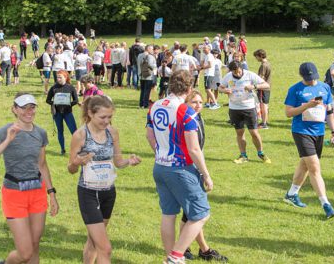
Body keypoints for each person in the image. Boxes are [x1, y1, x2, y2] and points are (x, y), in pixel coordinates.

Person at [0, 93, 59, 264]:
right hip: (14, 193)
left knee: (35, 245)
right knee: (25, 253)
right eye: (23, 107)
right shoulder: (5, 131)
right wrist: (8, 140)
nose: (29, 111)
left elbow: (42, 165)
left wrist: (51, 193)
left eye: (32, 107)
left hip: (37, 193)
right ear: (14, 109)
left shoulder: (40, 133)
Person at [146, 70, 213, 264]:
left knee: (168, 213)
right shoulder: (185, 111)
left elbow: (149, 136)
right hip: (181, 168)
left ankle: (171, 256)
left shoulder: (155, 105)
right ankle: (175, 256)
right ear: (189, 88)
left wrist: (161, 153)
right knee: (201, 213)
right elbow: (193, 148)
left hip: (160, 166)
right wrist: (206, 174)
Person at [68, 95, 142, 264]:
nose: (107, 121)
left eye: (110, 117)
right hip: (88, 193)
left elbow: (118, 161)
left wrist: (129, 162)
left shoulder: (112, 132)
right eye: (102, 117)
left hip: (108, 192)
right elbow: (71, 168)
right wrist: (77, 162)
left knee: (94, 241)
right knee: (105, 248)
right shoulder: (80, 135)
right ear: (90, 114)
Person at [282, 62, 334, 219]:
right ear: (302, 76)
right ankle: (326, 204)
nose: (311, 81)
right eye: (308, 79)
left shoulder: (325, 88)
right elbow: (288, 113)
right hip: (301, 131)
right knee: (314, 168)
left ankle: (291, 194)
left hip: (319, 132)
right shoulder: (295, 90)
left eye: (313, 78)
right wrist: (307, 105)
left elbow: (329, 112)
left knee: (305, 165)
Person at [180, 91, 228, 261]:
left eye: (200, 102)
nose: (198, 105)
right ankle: (199, 249)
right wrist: (205, 174)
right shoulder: (187, 119)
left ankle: (190, 248)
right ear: (186, 102)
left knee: (191, 213)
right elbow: (192, 148)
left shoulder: (197, 118)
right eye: (194, 102)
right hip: (188, 168)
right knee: (196, 212)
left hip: (194, 168)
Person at [219, 61, 271, 164]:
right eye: (235, 72)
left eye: (238, 71)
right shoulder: (228, 76)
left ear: (241, 68)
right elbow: (220, 87)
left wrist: (254, 87)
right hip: (234, 108)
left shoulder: (249, 74)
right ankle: (243, 155)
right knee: (239, 132)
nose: (237, 74)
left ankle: (261, 153)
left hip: (249, 107)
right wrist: (224, 91)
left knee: (254, 133)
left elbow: (266, 85)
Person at [46, 71, 79, 155]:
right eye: (57, 77)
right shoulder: (54, 88)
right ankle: (62, 149)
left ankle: (78, 149)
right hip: (57, 113)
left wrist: (69, 104)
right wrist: (54, 103)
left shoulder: (70, 87)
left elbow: (76, 100)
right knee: (60, 131)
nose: (58, 79)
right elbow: (48, 100)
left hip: (68, 112)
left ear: (65, 77)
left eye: (60, 77)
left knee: (74, 132)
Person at [254, 49, 271, 128]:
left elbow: (261, 78)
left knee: (263, 105)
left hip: (263, 88)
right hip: (267, 88)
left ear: (260, 56)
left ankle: (264, 123)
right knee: (265, 105)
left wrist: (255, 85)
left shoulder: (263, 65)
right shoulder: (268, 63)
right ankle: (264, 121)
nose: (256, 58)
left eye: (256, 57)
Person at [138, 45, 157, 109]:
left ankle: (141, 104)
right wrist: (155, 65)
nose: (152, 50)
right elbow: (151, 65)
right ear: (148, 49)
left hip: (141, 75)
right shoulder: (150, 56)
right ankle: (145, 104)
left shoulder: (139, 55)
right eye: (151, 49)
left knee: (142, 90)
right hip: (148, 75)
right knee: (147, 91)